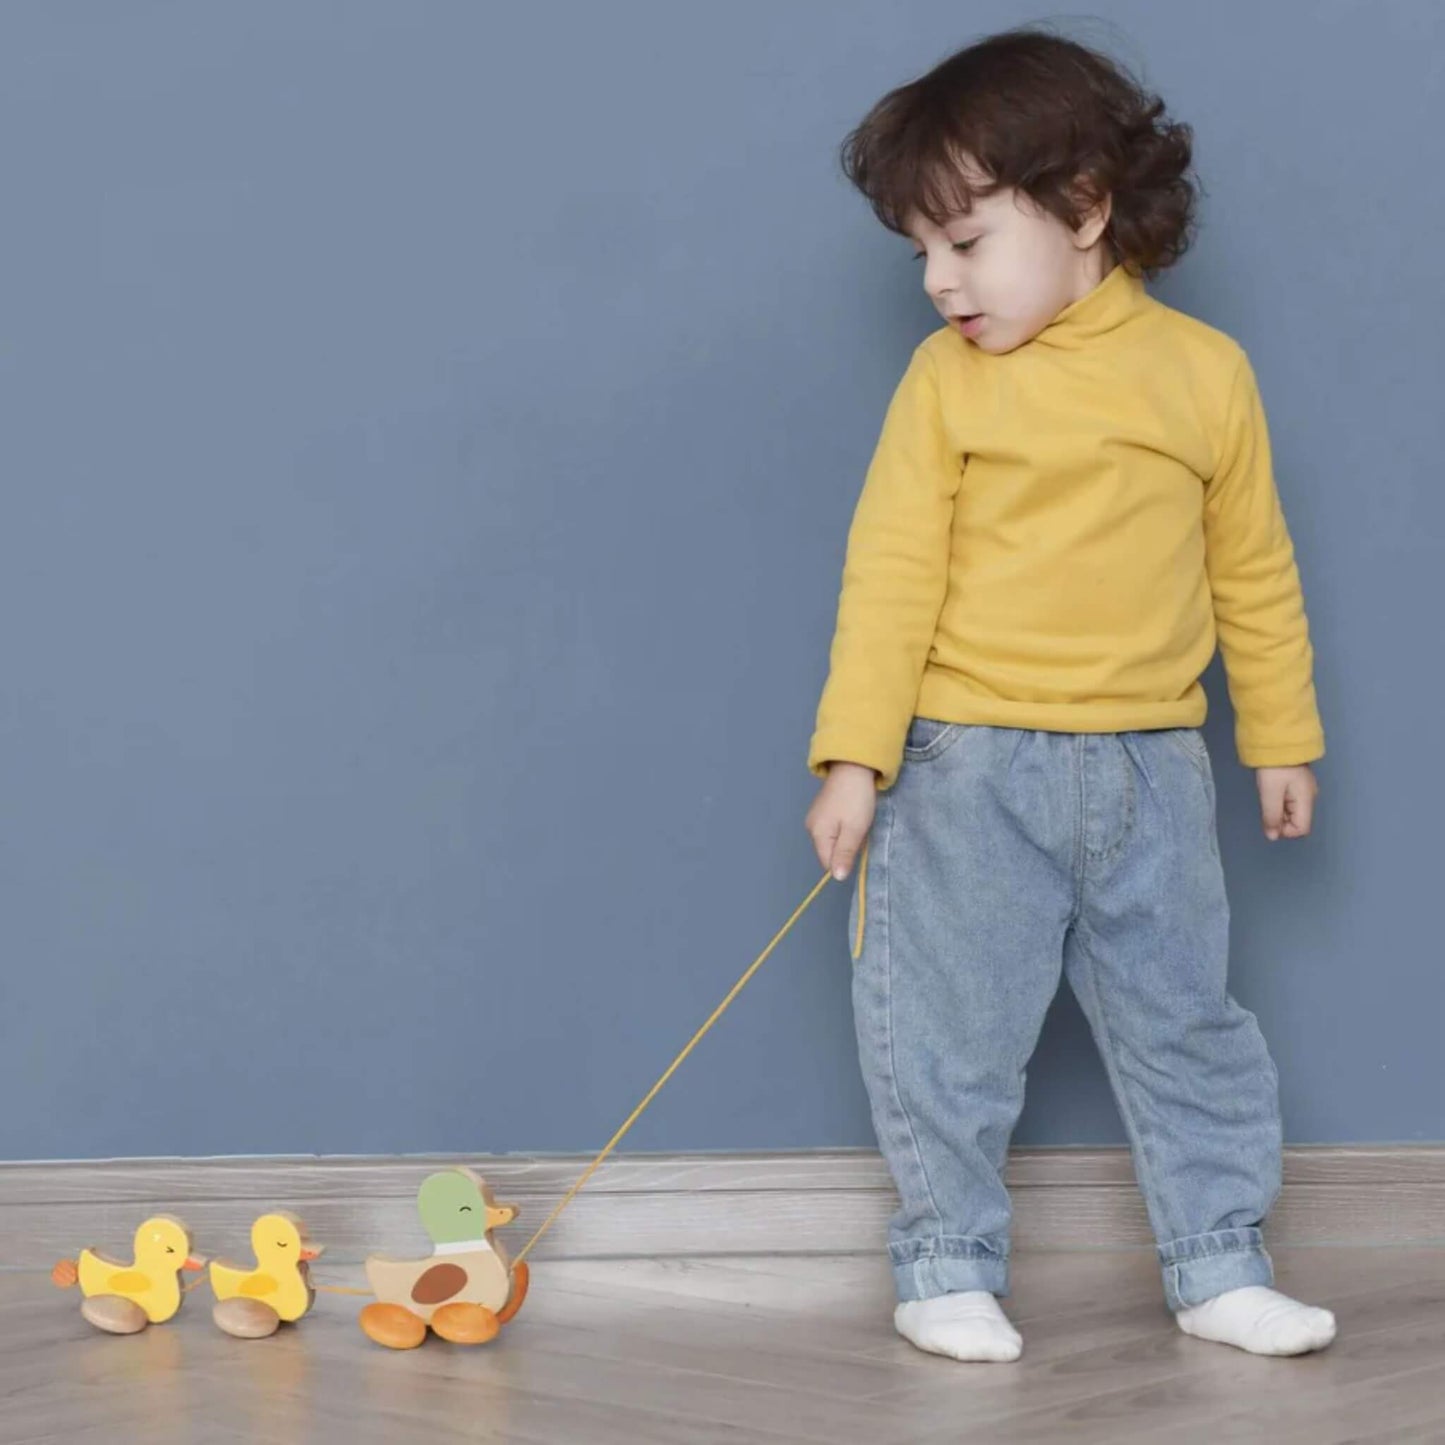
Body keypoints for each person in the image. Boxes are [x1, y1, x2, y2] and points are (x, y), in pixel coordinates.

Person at [804, 24, 1335, 1364]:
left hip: (1152, 770)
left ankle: (1216, 1260)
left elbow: (1253, 572)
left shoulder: (1205, 379)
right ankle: (943, 1262)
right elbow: (889, 575)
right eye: (918, 253)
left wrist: (1278, 737)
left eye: (964, 242)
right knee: (947, 1028)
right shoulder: (944, 388)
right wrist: (855, 759)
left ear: (1084, 207)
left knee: (1187, 1025)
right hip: (965, 766)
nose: (936, 282)